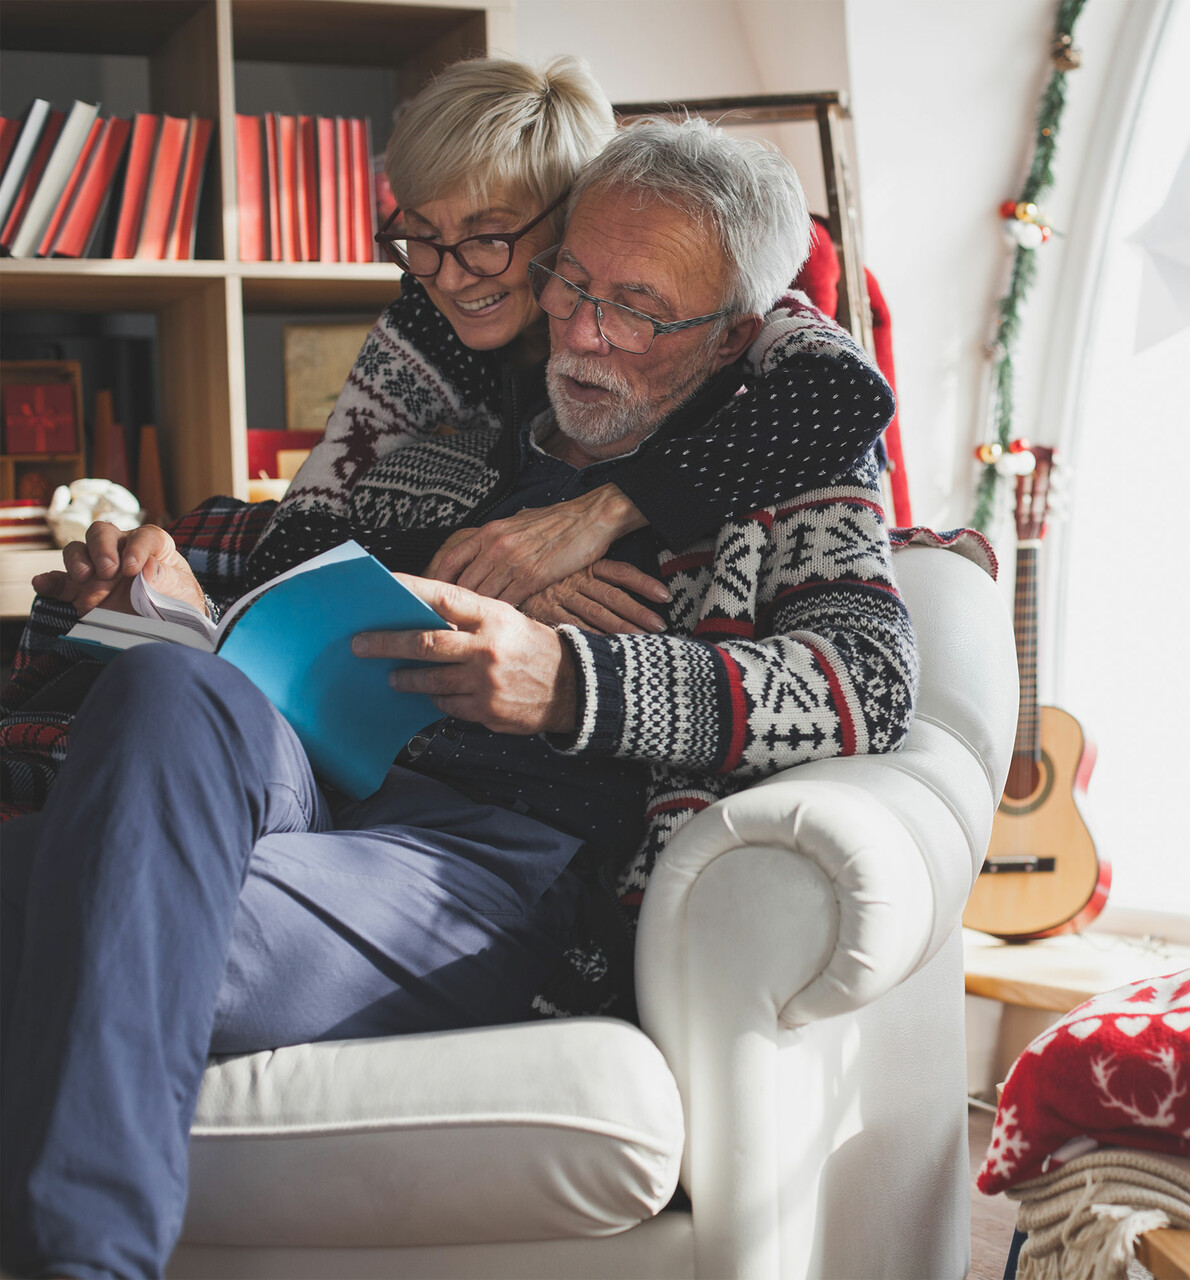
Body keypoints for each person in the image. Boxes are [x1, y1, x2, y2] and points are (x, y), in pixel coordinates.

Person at [1, 116, 915, 1280]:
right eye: (571, 282)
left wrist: (565, 683)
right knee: (164, 683)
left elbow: (867, 683)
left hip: (484, 862)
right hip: (307, 777)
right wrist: (151, 580)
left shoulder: (788, 474)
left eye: (635, 309)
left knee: (72, 891)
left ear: (733, 331)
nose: (580, 332)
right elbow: (285, 552)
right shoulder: (450, 429)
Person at [244, 54, 895, 618]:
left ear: (572, 212)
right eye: (422, 235)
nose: (448, 276)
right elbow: (289, 544)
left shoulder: (731, 304)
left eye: (488, 237)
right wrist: (496, 574)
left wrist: (605, 513)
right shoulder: (425, 322)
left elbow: (853, 393)